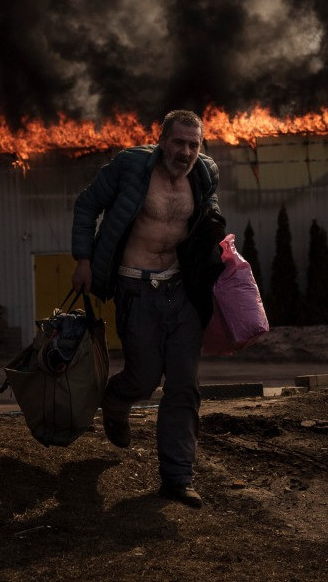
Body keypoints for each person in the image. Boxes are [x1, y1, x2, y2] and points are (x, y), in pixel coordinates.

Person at [70, 109, 225, 507]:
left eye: (194, 144)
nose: (186, 152)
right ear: (162, 141)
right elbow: (87, 205)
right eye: (179, 142)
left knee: (184, 384)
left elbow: (208, 221)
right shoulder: (130, 167)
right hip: (134, 288)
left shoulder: (204, 173)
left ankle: (177, 478)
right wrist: (83, 260)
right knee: (144, 378)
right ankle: (117, 398)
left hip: (181, 291)